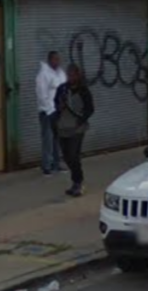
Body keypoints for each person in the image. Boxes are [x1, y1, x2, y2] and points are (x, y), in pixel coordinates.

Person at [54, 64, 95, 198]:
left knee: (73, 155)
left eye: (73, 74)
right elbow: (55, 103)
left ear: (78, 75)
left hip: (77, 128)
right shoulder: (62, 89)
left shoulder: (83, 90)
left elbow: (90, 108)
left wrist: (81, 119)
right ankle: (75, 181)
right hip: (63, 126)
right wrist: (59, 107)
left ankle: (78, 182)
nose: (70, 77)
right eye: (69, 74)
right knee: (66, 156)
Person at [35, 51, 67, 175]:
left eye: (58, 59)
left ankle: (57, 163)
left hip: (59, 111)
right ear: (49, 60)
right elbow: (41, 94)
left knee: (57, 139)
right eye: (55, 59)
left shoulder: (61, 73)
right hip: (47, 112)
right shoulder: (43, 75)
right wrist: (48, 109)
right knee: (48, 139)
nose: (57, 62)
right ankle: (47, 166)